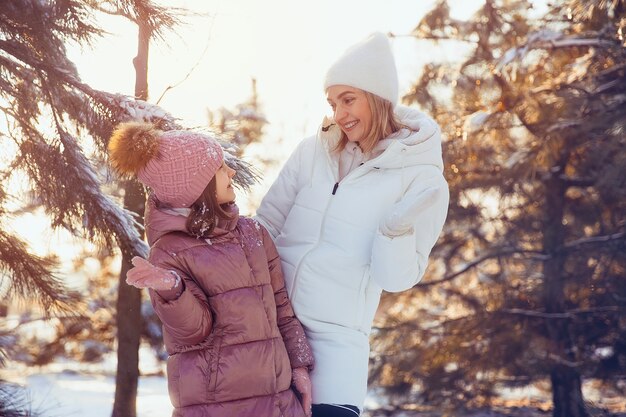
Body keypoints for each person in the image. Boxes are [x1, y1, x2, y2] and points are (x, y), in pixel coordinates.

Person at [255, 32, 449, 416]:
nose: (339, 114)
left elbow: (396, 280)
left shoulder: (422, 178)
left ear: (377, 97)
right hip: (271, 327)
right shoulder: (313, 150)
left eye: (348, 100)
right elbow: (265, 227)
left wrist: (394, 231)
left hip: (336, 343)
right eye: (332, 102)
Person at [107, 122, 315, 417]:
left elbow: (281, 307)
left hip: (277, 402)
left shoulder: (253, 233)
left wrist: (299, 365)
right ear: (197, 185)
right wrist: (173, 289)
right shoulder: (169, 251)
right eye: (219, 167)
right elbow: (193, 332)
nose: (231, 173)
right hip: (214, 406)